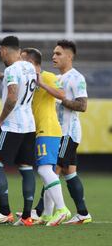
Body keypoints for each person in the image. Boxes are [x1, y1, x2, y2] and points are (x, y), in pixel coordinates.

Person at [0, 36, 37, 226]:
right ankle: (27, 216)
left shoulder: (12, 69)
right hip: (29, 125)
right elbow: (21, 86)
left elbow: (12, 97)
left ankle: (5, 212)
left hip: (12, 125)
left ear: (3, 50)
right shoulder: (29, 66)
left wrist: (0, 120)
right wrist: (0, 77)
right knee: (26, 167)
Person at [20, 48, 71, 226]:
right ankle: (48, 214)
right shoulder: (28, 78)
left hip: (47, 129)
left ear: (31, 62)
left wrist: (42, 83)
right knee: (46, 172)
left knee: (44, 170)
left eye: (22, 60)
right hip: (40, 130)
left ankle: (62, 209)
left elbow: (62, 95)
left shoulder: (47, 76)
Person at [52, 40, 92, 224]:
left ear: (69, 56)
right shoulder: (57, 78)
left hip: (68, 133)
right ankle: (83, 214)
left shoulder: (77, 78)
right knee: (69, 172)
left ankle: (39, 211)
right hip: (59, 132)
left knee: (52, 171)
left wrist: (61, 100)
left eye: (58, 53)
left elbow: (82, 106)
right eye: (53, 53)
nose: (54, 57)